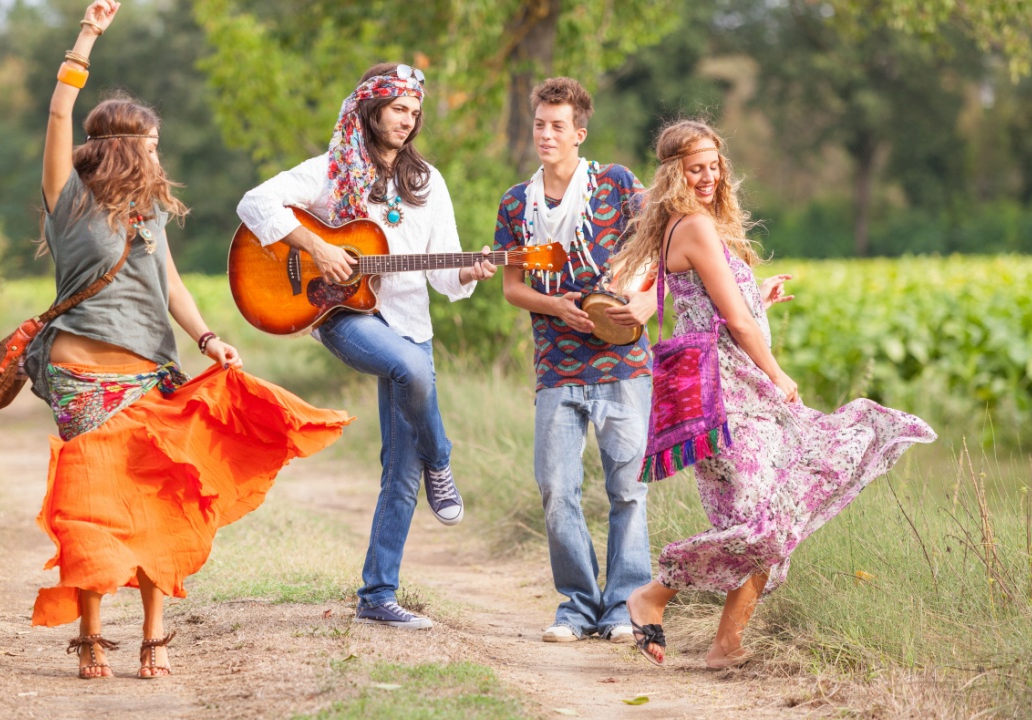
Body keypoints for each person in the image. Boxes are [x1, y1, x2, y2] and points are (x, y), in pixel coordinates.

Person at [22, 1, 350, 679]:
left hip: (149, 376)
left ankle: (153, 635)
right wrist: (87, 36)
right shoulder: (68, 200)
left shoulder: (149, 214)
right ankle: (90, 635)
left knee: (156, 503)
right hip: (82, 383)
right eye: (150, 144)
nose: (157, 154)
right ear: (122, 146)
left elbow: (171, 285)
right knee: (91, 510)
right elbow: (58, 115)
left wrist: (207, 338)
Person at [617, 119, 936, 668]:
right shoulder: (694, 226)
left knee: (774, 512)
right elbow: (736, 323)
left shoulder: (684, 227)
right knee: (766, 521)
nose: (708, 178)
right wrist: (777, 374)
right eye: (695, 169)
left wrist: (757, 296)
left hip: (727, 394)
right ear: (673, 174)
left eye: (714, 167)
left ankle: (726, 644)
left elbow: (716, 308)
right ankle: (655, 592)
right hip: (732, 397)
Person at [236, 63, 495, 630]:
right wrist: (317, 247)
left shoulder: (428, 182)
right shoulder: (332, 170)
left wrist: (470, 271)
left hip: (409, 319)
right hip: (346, 316)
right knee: (411, 369)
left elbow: (443, 274)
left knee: (401, 470)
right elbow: (255, 203)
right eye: (398, 108)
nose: (407, 120)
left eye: (414, 112)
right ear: (371, 109)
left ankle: (378, 596)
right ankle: (442, 458)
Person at [493, 77, 658, 644]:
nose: (546, 134)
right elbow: (513, 286)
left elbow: (663, 241)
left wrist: (644, 297)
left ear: (579, 133)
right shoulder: (517, 204)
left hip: (623, 364)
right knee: (556, 489)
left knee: (628, 489)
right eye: (539, 124)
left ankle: (624, 608)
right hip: (556, 366)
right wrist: (556, 307)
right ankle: (578, 606)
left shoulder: (616, 184)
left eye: (557, 126)